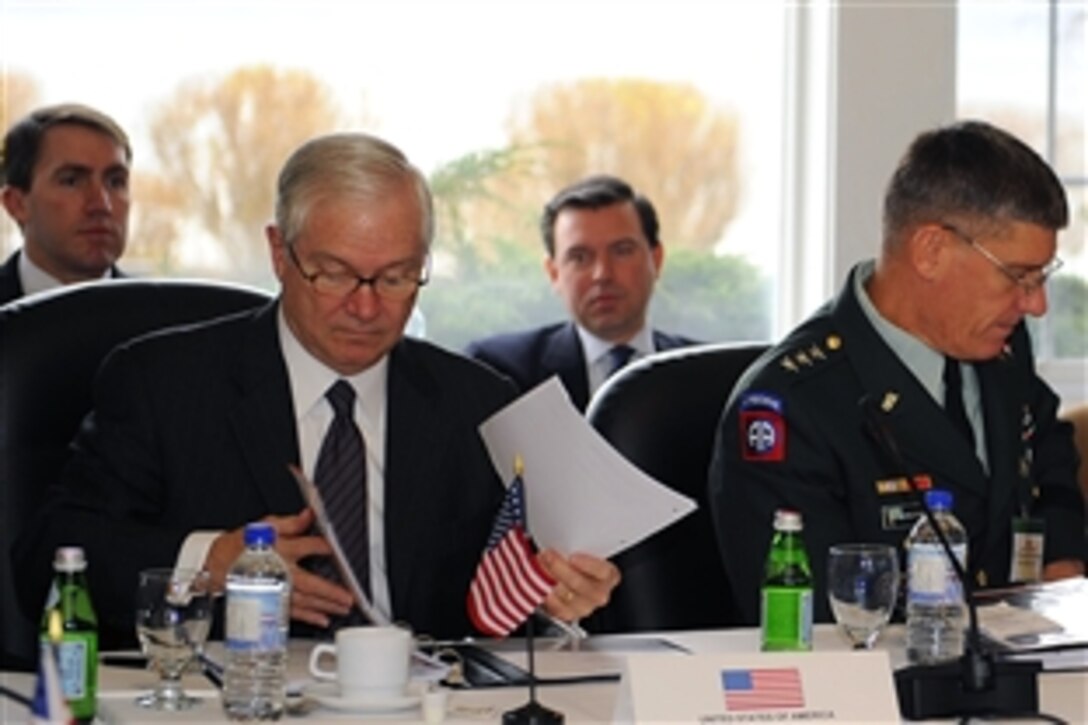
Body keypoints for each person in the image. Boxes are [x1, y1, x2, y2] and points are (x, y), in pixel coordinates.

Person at [14, 132, 619, 647]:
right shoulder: (163, 383)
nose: (365, 305)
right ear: (280, 253)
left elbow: (505, 587)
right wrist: (211, 563)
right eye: (333, 273)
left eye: (396, 276)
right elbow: (50, 554)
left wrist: (556, 594)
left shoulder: (477, 403)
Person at [708, 120, 1085, 625]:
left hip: (1024, 672)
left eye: (1042, 278)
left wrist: (1062, 575)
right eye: (1018, 276)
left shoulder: (999, 344)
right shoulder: (791, 404)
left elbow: (1047, 455)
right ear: (931, 251)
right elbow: (816, 626)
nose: (1036, 304)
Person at [466, 174, 696, 411]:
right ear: (554, 273)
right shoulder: (502, 371)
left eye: (622, 251)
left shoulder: (709, 373)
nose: (602, 274)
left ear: (656, 260)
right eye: (579, 257)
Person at [0, 103, 131, 305]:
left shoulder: (169, 321)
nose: (102, 205)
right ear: (16, 204)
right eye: (71, 181)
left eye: (115, 182)